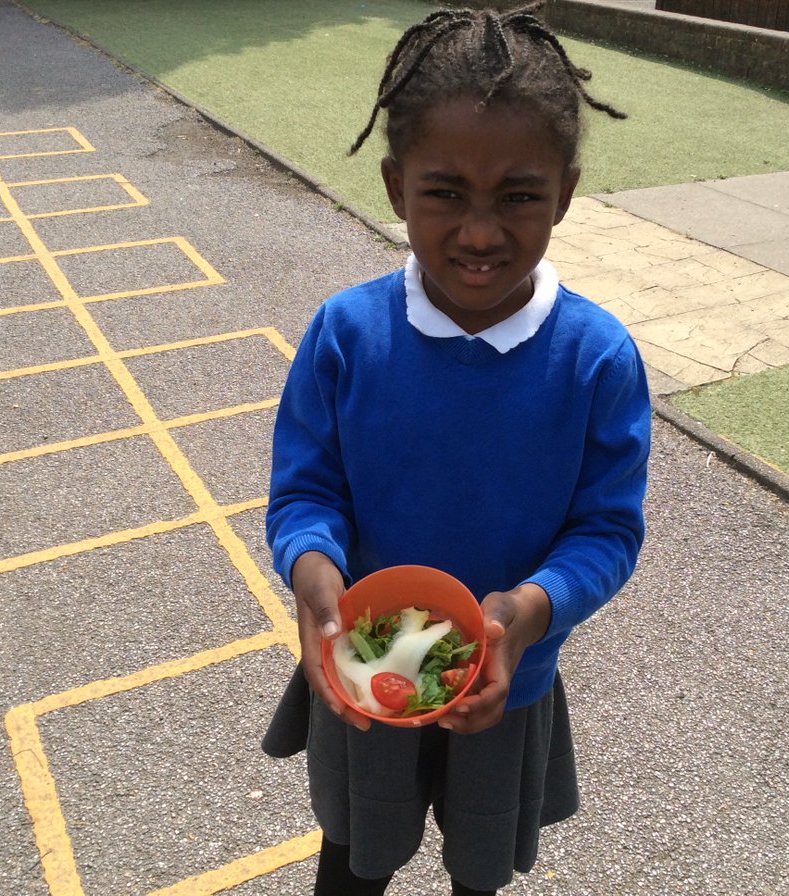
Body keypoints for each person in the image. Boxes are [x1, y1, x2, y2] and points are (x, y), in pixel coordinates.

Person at [262, 4, 650, 894]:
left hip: (504, 679)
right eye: (445, 193)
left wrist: (528, 612)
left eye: (519, 195)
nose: (480, 233)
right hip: (364, 669)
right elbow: (305, 493)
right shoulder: (346, 334)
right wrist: (312, 570)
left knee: (480, 871)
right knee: (356, 861)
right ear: (397, 188)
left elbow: (606, 531)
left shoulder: (596, 359)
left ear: (566, 191)